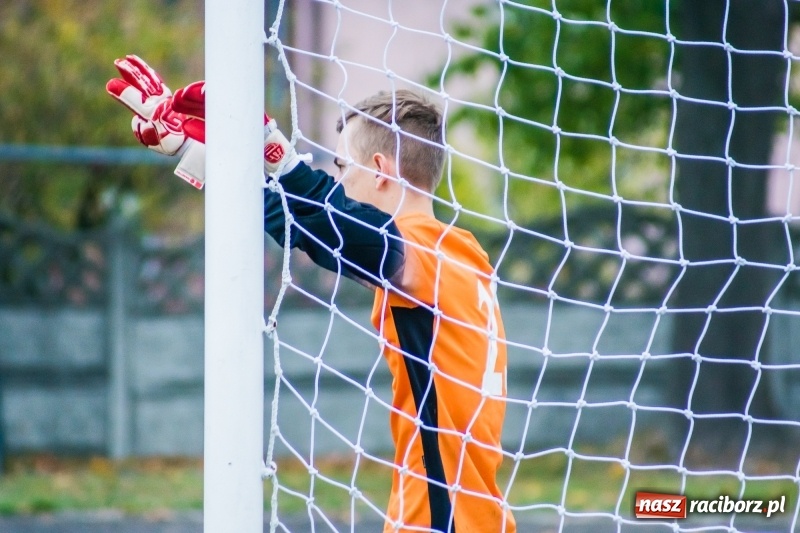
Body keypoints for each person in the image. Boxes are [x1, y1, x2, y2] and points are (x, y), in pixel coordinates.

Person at [107, 55, 516, 533]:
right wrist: (203, 156)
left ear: (381, 170)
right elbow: (308, 228)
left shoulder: (427, 253)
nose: (338, 178)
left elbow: (336, 229)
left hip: (443, 523)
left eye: (343, 166)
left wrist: (267, 144)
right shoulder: (458, 254)